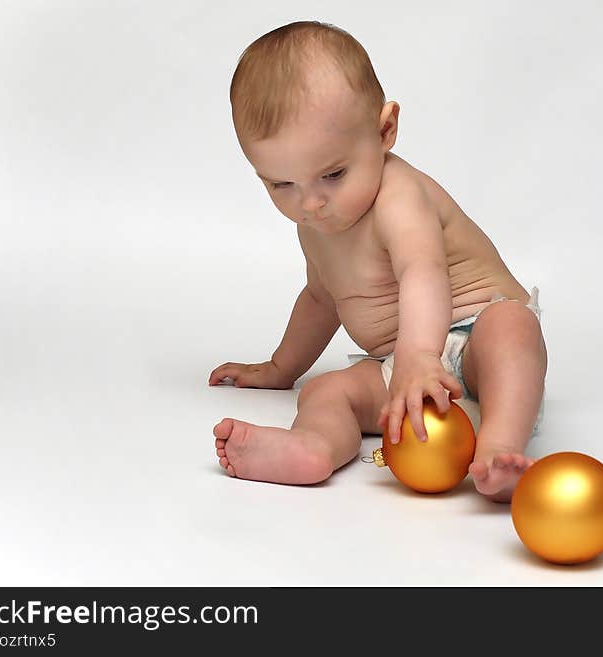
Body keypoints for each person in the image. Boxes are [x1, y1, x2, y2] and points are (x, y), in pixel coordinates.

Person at [210, 21, 547, 502]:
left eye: (332, 174)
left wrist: (419, 356)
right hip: (402, 370)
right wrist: (281, 368)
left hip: (473, 347)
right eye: (281, 184)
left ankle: (498, 450)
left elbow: (422, 271)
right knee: (325, 392)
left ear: (384, 130)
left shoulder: (399, 196)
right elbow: (320, 298)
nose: (311, 203)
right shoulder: (316, 225)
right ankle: (314, 446)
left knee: (512, 327)